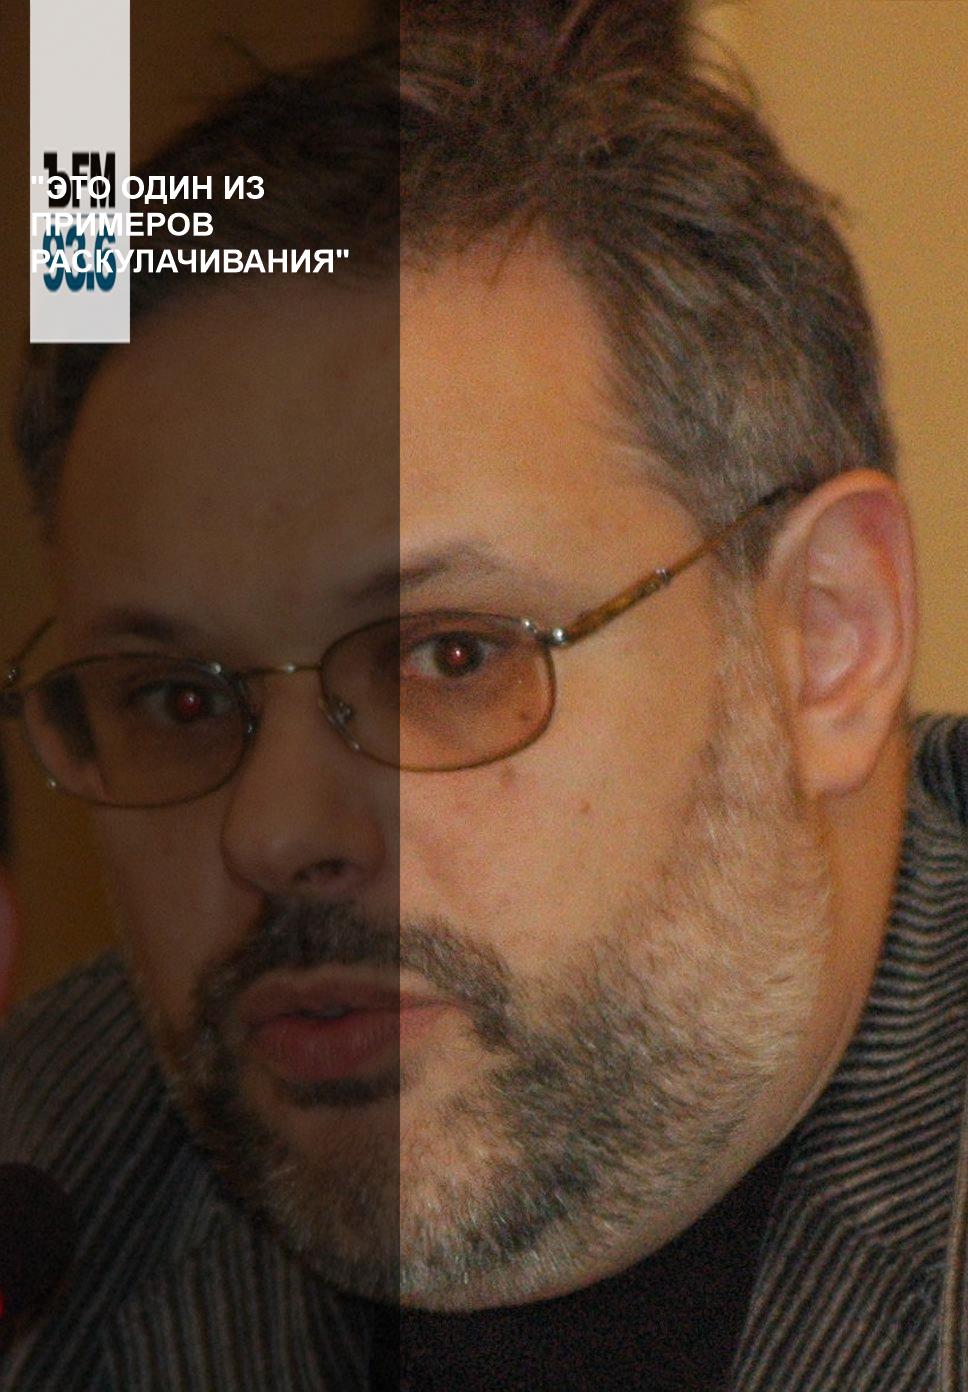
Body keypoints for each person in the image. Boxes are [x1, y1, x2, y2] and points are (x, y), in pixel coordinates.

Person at [1, 2, 965, 1388]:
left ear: (829, 641)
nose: (271, 831)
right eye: (175, 701)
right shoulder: (46, 1175)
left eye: (448, 657)